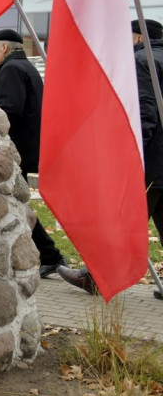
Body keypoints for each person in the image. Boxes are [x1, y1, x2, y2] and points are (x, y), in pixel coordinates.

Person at [58, 19, 163, 295]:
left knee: (120, 220)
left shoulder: (142, 62)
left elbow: (145, 115)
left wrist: (131, 157)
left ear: (139, 39)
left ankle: (95, 277)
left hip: (150, 160)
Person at [0, 29, 68, 278]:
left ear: (5, 48)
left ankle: (50, 255)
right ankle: (46, 254)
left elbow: (9, 109)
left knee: (13, 204)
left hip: (14, 148)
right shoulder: (24, 66)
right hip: (25, 147)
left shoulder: (12, 69)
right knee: (13, 203)